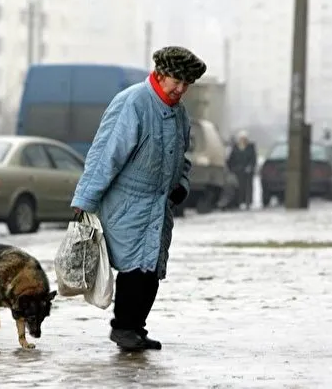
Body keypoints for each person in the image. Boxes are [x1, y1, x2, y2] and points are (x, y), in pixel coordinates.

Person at [70, 46, 206, 351]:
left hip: (159, 206)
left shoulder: (179, 114)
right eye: (177, 81)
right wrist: (85, 199)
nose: (181, 89)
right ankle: (123, 329)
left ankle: (136, 328)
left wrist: (181, 184)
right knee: (134, 269)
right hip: (127, 203)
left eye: (187, 84)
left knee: (151, 270)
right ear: (160, 73)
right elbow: (106, 155)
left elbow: (183, 158)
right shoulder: (133, 103)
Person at [227, 130, 257, 210]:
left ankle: (248, 203)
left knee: (248, 188)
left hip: (247, 172)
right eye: (241, 138)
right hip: (237, 171)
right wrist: (232, 169)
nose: (243, 140)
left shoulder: (251, 147)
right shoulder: (235, 147)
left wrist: (250, 166)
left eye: (244, 138)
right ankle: (239, 202)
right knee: (239, 187)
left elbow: (253, 159)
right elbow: (230, 159)